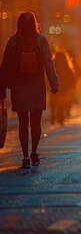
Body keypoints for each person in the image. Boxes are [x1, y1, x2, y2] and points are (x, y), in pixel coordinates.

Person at [0, 12, 60, 168]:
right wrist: (54, 83)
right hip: (37, 87)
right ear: (35, 24)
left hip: (19, 88)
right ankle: (34, 151)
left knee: (22, 123)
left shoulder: (12, 42)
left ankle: (25, 156)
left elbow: (4, 66)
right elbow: (49, 63)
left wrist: (2, 89)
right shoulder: (41, 40)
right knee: (35, 122)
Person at [50, 48, 76, 126]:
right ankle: (60, 117)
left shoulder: (53, 64)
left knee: (54, 101)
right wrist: (72, 85)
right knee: (62, 101)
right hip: (64, 86)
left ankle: (53, 116)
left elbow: (48, 74)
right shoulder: (67, 65)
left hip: (54, 86)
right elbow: (71, 76)